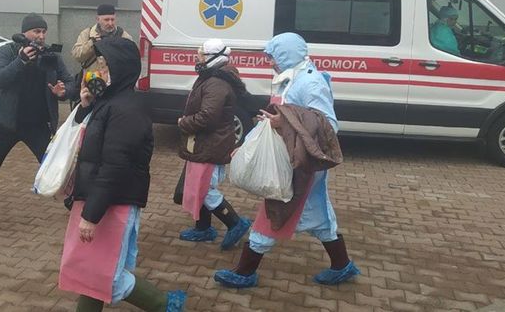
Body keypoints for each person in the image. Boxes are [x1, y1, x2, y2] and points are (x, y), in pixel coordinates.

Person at [213, 32, 360, 288]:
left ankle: (245, 272)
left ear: (287, 54)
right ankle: (342, 265)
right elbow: (280, 119)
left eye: (273, 57)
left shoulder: (311, 83)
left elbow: (328, 125)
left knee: (275, 209)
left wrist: (284, 122)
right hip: (293, 160)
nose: (270, 62)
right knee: (318, 217)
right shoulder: (291, 78)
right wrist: (249, 144)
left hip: (301, 164)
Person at [58, 37, 186, 312]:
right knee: (90, 268)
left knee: (103, 274)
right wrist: (85, 107)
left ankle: (166, 305)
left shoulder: (127, 109)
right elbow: (87, 140)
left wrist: (91, 215)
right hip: (98, 197)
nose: (98, 71)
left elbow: (115, 166)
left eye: (104, 65)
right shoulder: (109, 101)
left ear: (120, 68)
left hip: (112, 202)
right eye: (98, 65)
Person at [0, 14, 76, 233]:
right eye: (36, 31)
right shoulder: (8, 52)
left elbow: (69, 82)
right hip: (5, 124)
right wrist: (20, 61)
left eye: (43, 31)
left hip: (37, 126)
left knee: (54, 166)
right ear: (24, 33)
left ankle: (77, 208)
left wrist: (64, 91)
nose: (40, 36)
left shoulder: (51, 56)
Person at [175, 38, 251, 250]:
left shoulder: (216, 82)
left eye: (200, 55)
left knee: (204, 188)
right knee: (199, 184)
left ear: (211, 57)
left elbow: (207, 117)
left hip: (210, 143)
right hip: (205, 143)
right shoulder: (213, 76)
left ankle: (234, 223)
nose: (197, 58)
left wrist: (183, 123)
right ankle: (203, 228)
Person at [71, 4, 134, 75]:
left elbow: (132, 59)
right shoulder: (87, 34)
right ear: (98, 19)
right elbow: (77, 56)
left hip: (117, 79)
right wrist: (92, 43)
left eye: (112, 19)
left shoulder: (123, 36)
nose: (110, 23)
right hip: (92, 79)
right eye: (106, 20)